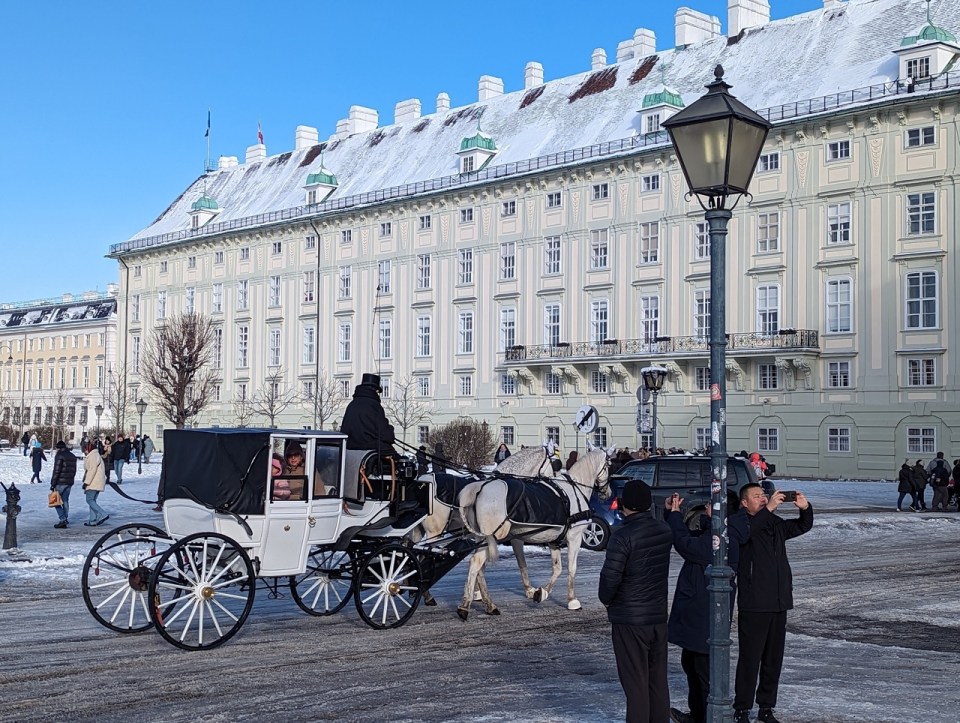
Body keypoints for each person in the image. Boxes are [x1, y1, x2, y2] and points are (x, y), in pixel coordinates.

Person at [665, 494, 750, 723]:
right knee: (691, 663)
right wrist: (672, 514)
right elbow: (689, 538)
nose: (707, 508)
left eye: (712, 505)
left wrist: (674, 516)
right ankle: (699, 714)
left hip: (707, 613)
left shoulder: (723, 535)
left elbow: (686, 544)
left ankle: (706, 717)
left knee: (703, 671)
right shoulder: (716, 531)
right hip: (699, 611)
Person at [732, 484, 813, 723]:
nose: (762, 499)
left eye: (763, 495)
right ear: (744, 503)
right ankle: (742, 709)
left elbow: (801, 526)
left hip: (779, 601)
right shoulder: (739, 522)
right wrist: (768, 508)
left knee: (772, 660)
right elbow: (748, 534)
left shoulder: (773, 523)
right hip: (755, 602)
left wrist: (805, 508)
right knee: (750, 659)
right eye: (756, 497)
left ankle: (766, 707)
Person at [598, 479, 673, 723]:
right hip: (657, 616)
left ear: (625, 504)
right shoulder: (663, 531)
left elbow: (610, 579)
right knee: (657, 681)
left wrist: (607, 600)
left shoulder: (622, 537)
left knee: (636, 685)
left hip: (629, 618)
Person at [340, 373, 397, 457]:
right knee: (395, 456)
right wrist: (390, 430)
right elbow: (385, 434)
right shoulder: (374, 405)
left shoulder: (352, 404)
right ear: (374, 390)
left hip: (349, 446)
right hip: (369, 447)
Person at [50, 440, 78, 529]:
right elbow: (74, 470)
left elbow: (56, 470)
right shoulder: (72, 455)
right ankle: (65, 518)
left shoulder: (59, 455)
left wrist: (53, 483)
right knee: (65, 501)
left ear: (58, 448)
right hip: (69, 482)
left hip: (60, 482)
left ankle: (63, 519)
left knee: (55, 501)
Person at [81, 441, 109, 526]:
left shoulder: (93, 456)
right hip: (97, 482)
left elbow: (91, 470)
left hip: (93, 482)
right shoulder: (95, 455)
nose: (84, 452)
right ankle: (92, 520)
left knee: (89, 500)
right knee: (92, 501)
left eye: (85, 449)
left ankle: (103, 514)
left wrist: (86, 482)